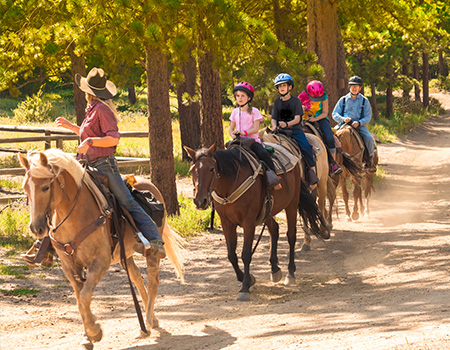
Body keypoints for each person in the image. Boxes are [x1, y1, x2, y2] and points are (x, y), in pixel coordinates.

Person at [56, 67, 166, 258]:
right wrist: (71, 127)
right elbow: (89, 134)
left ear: (88, 91)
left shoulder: (102, 110)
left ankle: (155, 240)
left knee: (127, 202)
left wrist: (89, 143)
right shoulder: (92, 109)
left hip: (104, 166)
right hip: (88, 166)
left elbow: (113, 138)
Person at [229, 81, 281, 190]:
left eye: (243, 96)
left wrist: (243, 133)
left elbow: (256, 129)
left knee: (263, 154)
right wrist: (232, 135)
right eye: (238, 96)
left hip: (252, 141)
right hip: (238, 141)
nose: (240, 98)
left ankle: (274, 178)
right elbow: (231, 127)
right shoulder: (234, 112)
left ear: (249, 98)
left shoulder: (254, 111)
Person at [271, 73, 319, 185]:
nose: (282, 88)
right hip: (280, 131)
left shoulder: (296, 101)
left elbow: (297, 119)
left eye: (284, 85)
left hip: (295, 130)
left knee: (306, 146)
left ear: (290, 87)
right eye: (279, 86)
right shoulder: (277, 102)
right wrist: (274, 126)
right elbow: (274, 118)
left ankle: (312, 170)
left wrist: (287, 124)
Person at [332, 75, 376, 172]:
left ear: (360, 88)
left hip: (358, 126)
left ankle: (369, 160)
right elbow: (334, 114)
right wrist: (343, 119)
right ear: (349, 87)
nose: (354, 88)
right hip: (343, 124)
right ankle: (331, 161)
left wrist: (359, 122)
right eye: (352, 86)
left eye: (356, 86)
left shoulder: (365, 100)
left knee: (368, 138)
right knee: (331, 136)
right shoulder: (343, 99)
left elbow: (368, 116)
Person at [299, 80, 343, 175]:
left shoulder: (324, 96)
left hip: (320, 118)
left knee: (329, 138)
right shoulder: (301, 97)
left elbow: (324, 112)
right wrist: (302, 111)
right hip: (304, 118)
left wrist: (315, 119)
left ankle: (333, 165)